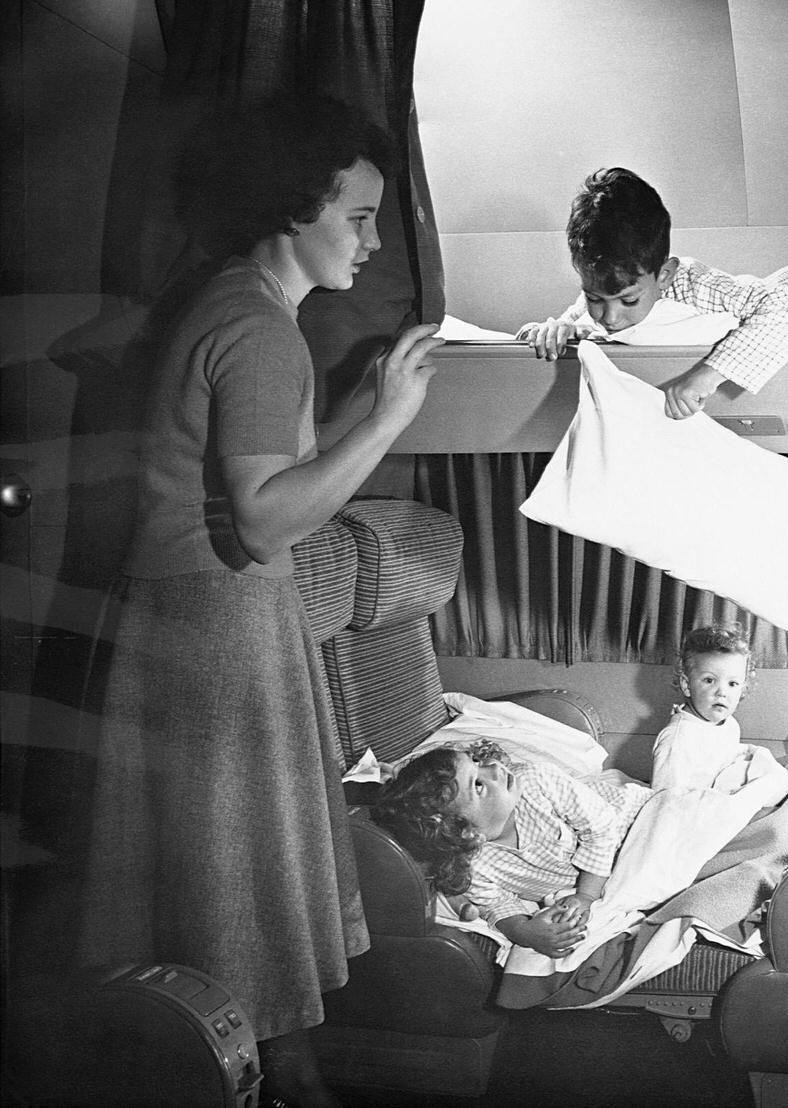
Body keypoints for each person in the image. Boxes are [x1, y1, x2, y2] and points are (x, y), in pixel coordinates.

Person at [77, 93, 444, 1108]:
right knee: (238, 896)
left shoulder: (237, 302)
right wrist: (389, 422)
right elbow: (266, 520)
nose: (370, 242)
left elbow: (270, 471)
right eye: (357, 217)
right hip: (218, 623)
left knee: (222, 890)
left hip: (201, 618)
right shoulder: (260, 327)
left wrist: (364, 407)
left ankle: (275, 1077)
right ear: (293, 207)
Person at [516, 167, 788, 418]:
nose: (609, 317)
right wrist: (554, 330)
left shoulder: (696, 286)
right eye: (595, 299)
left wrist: (705, 377)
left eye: (629, 300)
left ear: (664, 275)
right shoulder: (595, 297)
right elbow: (572, 322)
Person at [373, 741, 651, 957]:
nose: (494, 768)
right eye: (479, 785)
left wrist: (587, 895)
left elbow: (601, 828)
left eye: (477, 762)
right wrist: (524, 931)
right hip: (618, 875)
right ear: (466, 831)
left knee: (678, 849)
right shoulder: (471, 863)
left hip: (634, 822)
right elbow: (495, 902)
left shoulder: (535, 781)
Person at [650, 624, 763, 791]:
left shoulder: (730, 724)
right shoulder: (678, 738)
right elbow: (665, 797)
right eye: (709, 680)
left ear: (743, 689)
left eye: (732, 683)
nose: (722, 692)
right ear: (687, 685)